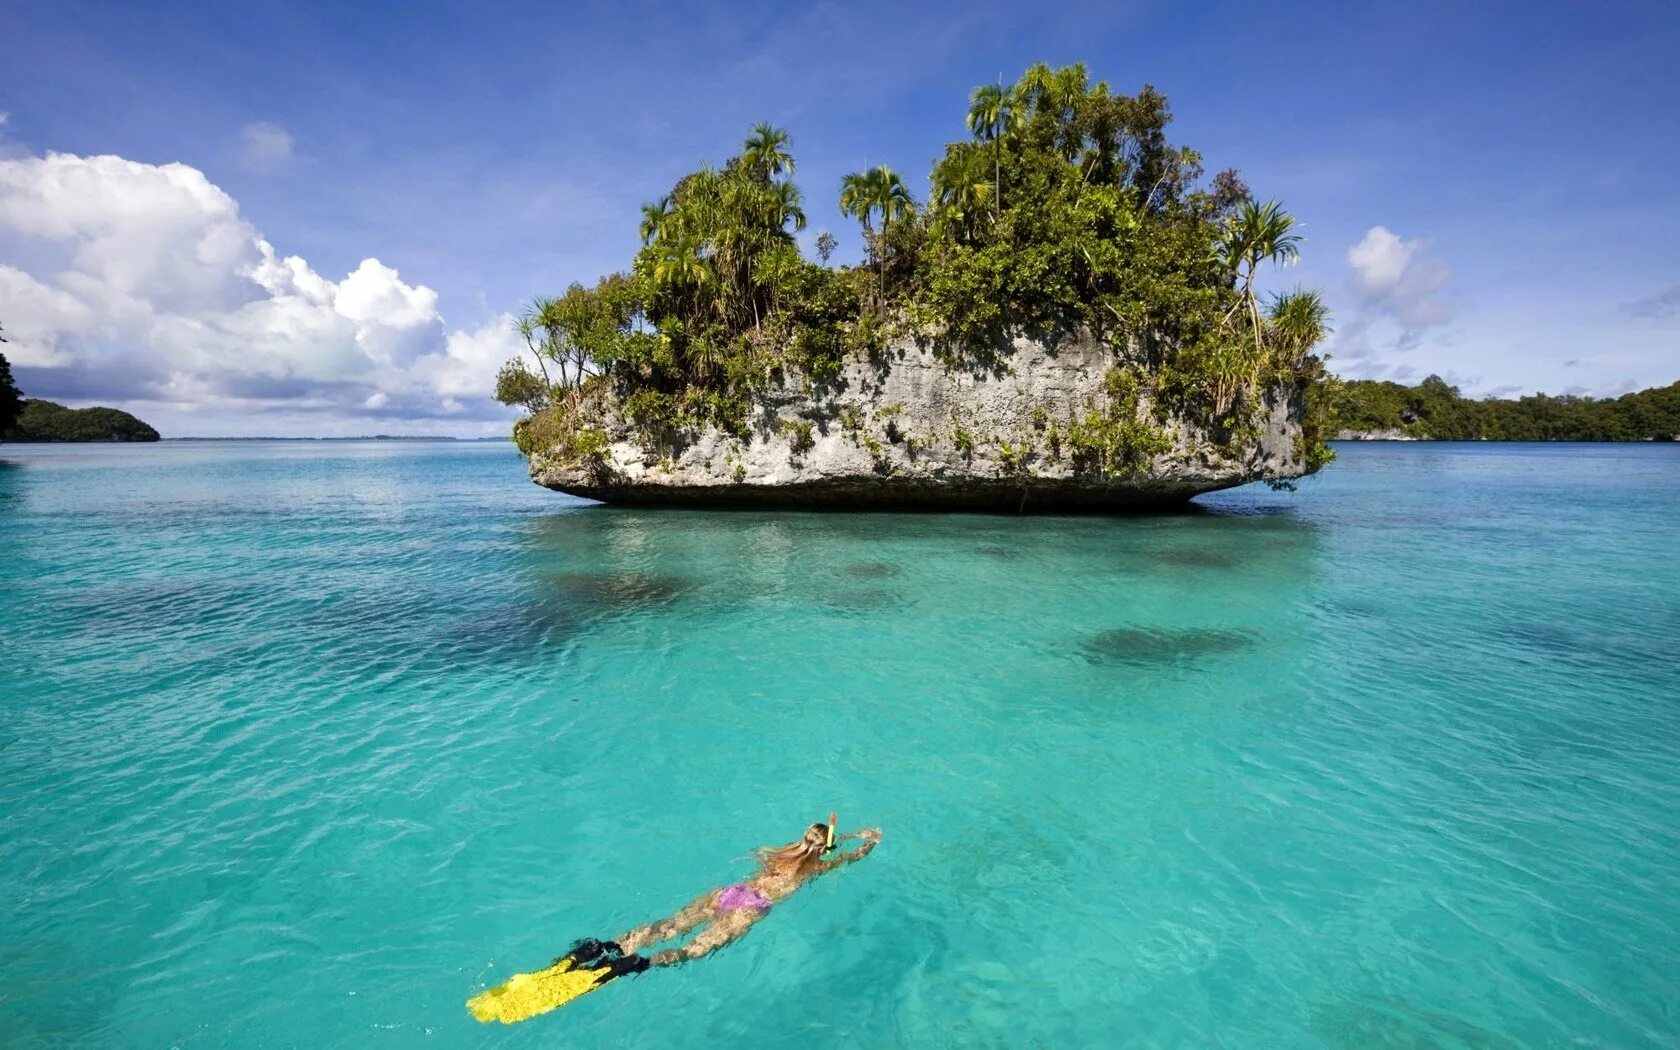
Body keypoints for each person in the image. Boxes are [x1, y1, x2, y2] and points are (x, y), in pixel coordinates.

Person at [579, 816, 881, 976]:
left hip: (733, 892)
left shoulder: (780, 854)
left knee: (668, 926)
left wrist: (837, 836)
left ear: (804, 836)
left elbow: (815, 842)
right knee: (694, 949)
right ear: (824, 849)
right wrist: (868, 841)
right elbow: (852, 856)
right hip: (753, 906)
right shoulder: (814, 870)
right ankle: (641, 964)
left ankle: (609, 945)